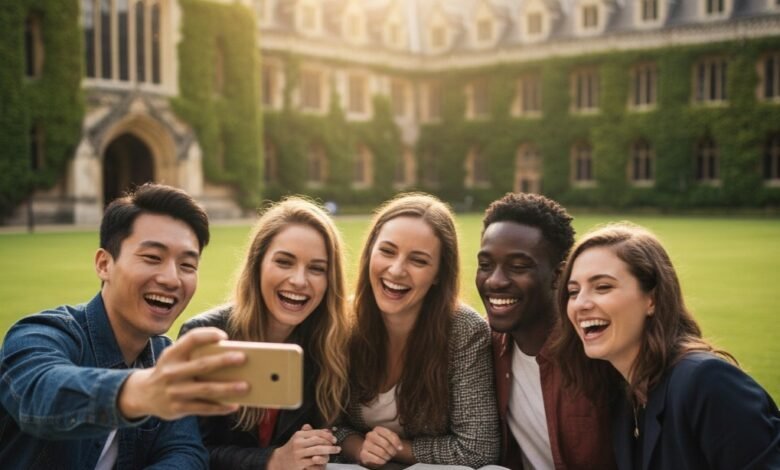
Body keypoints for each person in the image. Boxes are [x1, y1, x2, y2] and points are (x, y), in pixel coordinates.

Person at [0, 183, 250, 469]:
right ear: (104, 264)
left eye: (187, 265)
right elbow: (40, 396)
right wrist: (140, 392)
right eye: (152, 258)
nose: (172, 278)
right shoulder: (39, 335)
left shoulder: (167, 362)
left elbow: (186, 454)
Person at [558, 222, 780, 469]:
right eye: (573, 291)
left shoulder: (707, 381)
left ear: (652, 299)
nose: (580, 304)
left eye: (603, 287)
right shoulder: (624, 397)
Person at [180, 197, 350, 470]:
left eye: (317, 268)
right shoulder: (207, 336)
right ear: (257, 264)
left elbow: (337, 436)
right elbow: (190, 452)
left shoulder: (331, 345)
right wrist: (272, 460)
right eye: (284, 262)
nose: (299, 280)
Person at [336, 193, 499, 469]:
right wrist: (358, 447)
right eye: (387, 251)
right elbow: (320, 422)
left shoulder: (464, 331)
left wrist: (395, 449)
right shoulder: (341, 322)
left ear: (438, 274)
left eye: (419, 261)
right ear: (369, 253)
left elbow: (478, 449)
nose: (397, 270)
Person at [476, 192, 615, 470]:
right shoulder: (483, 347)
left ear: (558, 275)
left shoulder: (598, 353)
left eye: (518, 267)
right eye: (485, 265)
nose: (495, 281)